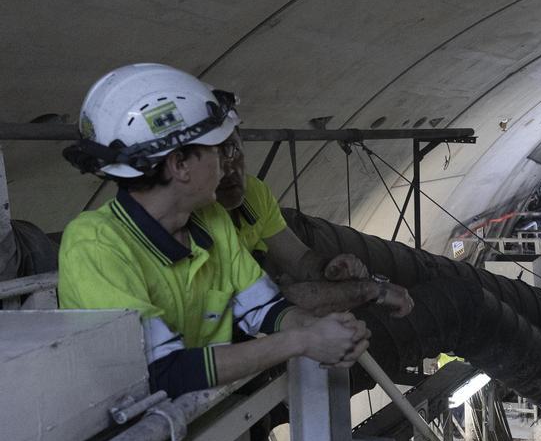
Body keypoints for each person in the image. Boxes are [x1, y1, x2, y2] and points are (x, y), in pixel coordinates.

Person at [59, 64, 370, 396]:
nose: (228, 162)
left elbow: (263, 308)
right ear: (180, 165)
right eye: (218, 148)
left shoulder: (211, 219)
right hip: (129, 437)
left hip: (200, 422)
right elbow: (162, 371)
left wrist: (322, 329)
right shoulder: (94, 246)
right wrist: (302, 341)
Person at [213, 130, 413, 318]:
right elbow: (247, 308)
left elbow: (298, 259)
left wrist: (327, 268)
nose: (228, 168)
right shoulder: (189, 223)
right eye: (213, 156)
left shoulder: (253, 194)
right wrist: (367, 290)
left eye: (232, 149)